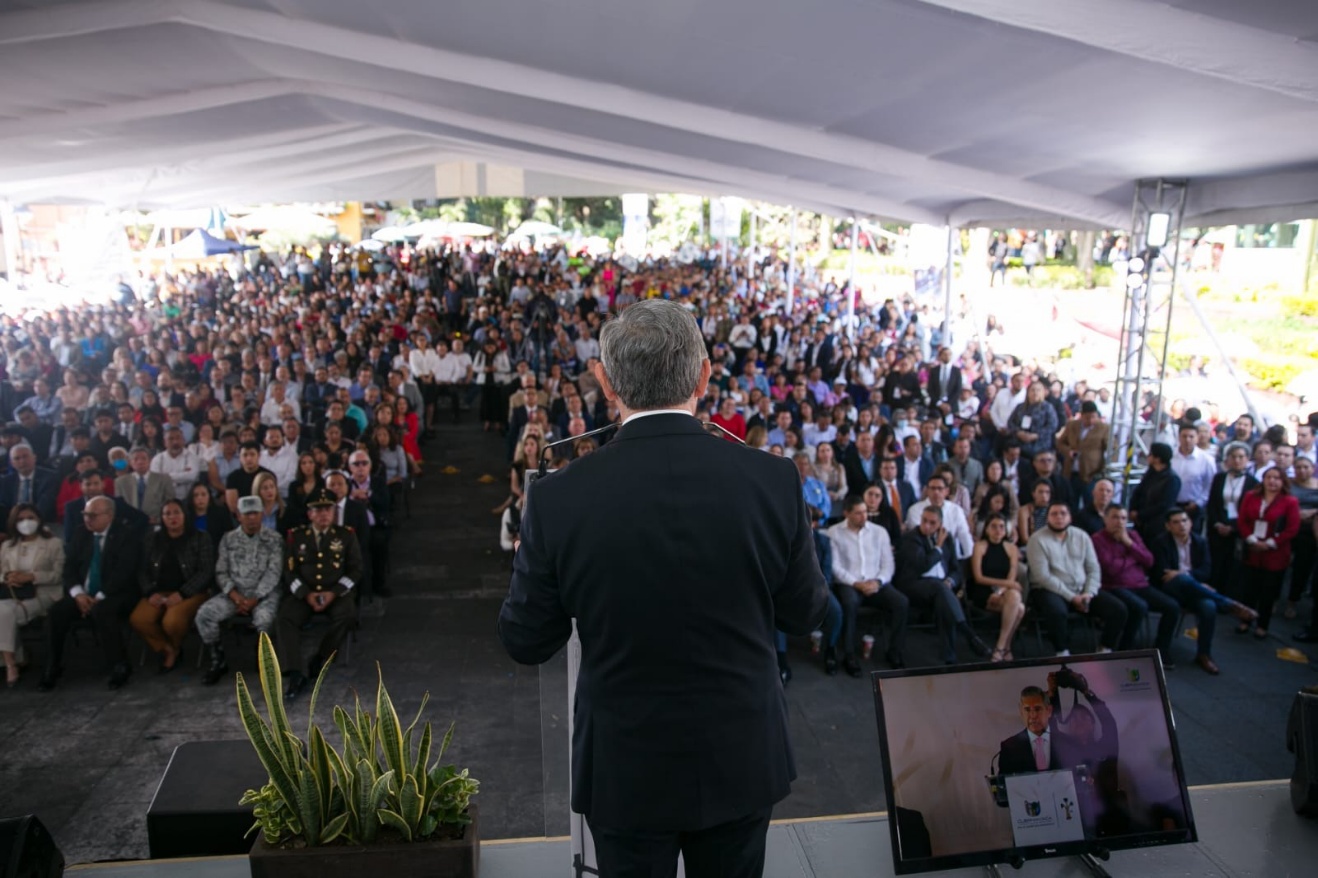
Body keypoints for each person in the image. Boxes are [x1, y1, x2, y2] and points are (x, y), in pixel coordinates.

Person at [498, 300, 828, 878]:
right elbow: (807, 613)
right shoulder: (773, 479)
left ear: (605, 382)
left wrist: (538, 560)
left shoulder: (556, 498)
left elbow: (526, 639)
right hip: (741, 755)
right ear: (704, 376)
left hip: (625, 766)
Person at [39, 496, 146, 691]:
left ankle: (119, 665)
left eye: (93, 515)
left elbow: (124, 572)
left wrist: (99, 597)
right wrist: (78, 594)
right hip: (84, 594)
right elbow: (69, 568)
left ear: (109, 515)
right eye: (85, 514)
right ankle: (52, 666)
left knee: (103, 611)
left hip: (117, 593)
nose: (87, 519)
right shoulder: (81, 533)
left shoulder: (126, 535)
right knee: (56, 612)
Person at [275, 487, 363, 700]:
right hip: (305, 593)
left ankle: (321, 658)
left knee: (347, 615)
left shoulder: (346, 536)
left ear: (334, 512)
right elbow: (289, 571)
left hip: (335, 593)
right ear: (310, 514)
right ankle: (295, 672)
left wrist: (335, 592)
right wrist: (306, 594)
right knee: (284, 618)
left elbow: (356, 570)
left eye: (328, 509)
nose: (324, 514)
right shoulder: (296, 537)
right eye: (318, 510)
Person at [1151, 508, 1258, 674]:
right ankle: (1227, 603)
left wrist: (1185, 575)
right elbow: (1162, 573)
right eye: (1176, 522)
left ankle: (1204, 654)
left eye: (1184, 521)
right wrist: (1187, 578)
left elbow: (1206, 571)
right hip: (1169, 589)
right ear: (1168, 526)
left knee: (1208, 606)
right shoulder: (1160, 542)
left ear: (1191, 523)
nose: (1182, 525)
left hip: (1195, 589)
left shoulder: (1200, 542)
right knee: (1182, 582)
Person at [196, 496, 286, 686]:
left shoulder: (274, 539)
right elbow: (221, 571)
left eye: (255, 513)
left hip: (264, 594)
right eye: (247, 514)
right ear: (238, 516)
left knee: (264, 619)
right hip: (234, 594)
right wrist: (234, 595)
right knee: (205, 614)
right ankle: (218, 660)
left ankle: (263, 658)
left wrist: (255, 597)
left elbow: (274, 573)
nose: (252, 517)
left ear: (262, 514)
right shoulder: (228, 539)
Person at [1026, 502, 1127, 656]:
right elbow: (1042, 576)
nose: (1059, 517)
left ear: (1070, 517)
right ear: (1047, 518)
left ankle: (1105, 648)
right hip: (1049, 589)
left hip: (1082, 589)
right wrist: (1072, 597)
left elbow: (1093, 568)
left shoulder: (1082, 536)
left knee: (1118, 609)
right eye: (1054, 514)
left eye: (1063, 513)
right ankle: (1062, 652)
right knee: (1057, 612)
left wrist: (1089, 593)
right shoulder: (1037, 539)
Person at [895, 505, 991, 664]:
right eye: (924, 521)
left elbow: (956, 569)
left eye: (932, 523)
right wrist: (938, 548)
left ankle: (949, 657)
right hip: (914, 585)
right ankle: (967, 633)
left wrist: (950, 581)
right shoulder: (912, 538)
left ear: (940, 524)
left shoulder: (947, 537)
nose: (927, 526)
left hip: (939, 588)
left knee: (943, 597)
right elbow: (923, 565)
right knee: (941, 590)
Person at [1091, 505, 1182, 667]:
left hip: (1140, 584)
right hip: (1114, 585)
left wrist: (1129, 543)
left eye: (1123, 518)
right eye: (1115, 517)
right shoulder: (1097, 539)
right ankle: (1124, 650)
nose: (1119, 522)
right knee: (1139, 607)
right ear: (1105, 519)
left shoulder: (1132, 535)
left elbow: (1149, 561)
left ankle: (1161, 650)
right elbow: (1110, 568)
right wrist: (1133, 558)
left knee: (1172, 606)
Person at [129, 499, 213, 673]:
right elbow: (142, 570)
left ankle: (174, 647)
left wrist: (182, 593)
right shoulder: (152, 539)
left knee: (172, 621)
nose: (172, 517)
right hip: (158, 591)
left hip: (191, 592)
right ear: (162, 517)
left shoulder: (200, 537)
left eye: (176, 513)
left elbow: (205, 572)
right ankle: (168, 649)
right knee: (139, 619)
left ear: (184, 515)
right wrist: (150, 592)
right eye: (167, 514)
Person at [828, 495, 909, 672]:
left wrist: (878, 581)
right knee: (849, 604)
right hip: (849, 583)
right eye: (858, 513)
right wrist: (856, 583)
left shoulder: (879, 532)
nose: (863, 516)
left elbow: (888, 564)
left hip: (876, 582)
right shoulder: (834, 533)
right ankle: (849, 655)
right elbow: (835, 567)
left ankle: (895, 652)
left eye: (865, 512)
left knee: (901, 603)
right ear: (846, 513)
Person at [0, 504, 64, 687]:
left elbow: (58, 575)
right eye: (20, 519)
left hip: (42, 594)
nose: (26, 523)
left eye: (30, 518)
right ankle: (15, 660)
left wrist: (31, 577)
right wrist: (8, 577)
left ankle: (12, 663)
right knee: (4, 612)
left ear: (38, 519)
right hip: (12, 594)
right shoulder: (7, 545)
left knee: (3, 613)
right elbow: (1, 572)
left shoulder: (53, 543)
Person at [1237, 466, 1300, 638]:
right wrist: (1252, 540)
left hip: (1275, 553)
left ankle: (1262, 625)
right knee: (1249, 589)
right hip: (1252, 549)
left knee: (1268, 592)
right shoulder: (1250, 496)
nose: (1272, 481)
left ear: (1283, 481)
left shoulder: (1290, 501)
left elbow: (1292, 529)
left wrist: (1270, 543)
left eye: (1277, 478)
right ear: (1263, 480)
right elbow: (1242, 521)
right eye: (1269, 477)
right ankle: (1245, 620)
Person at [969, 513, 1024, 662]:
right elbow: (979, 577)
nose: (998, 530)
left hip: (1004, 592)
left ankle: (1000, 646)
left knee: (1015, 599)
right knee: (1019, 608)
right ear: (986, 529)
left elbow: (1011, 576)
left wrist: (1000, 591)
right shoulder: (979, 546)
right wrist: (1006, 586)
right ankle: (1006, 648)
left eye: (1001, 527)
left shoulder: (1012, 548)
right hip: (984, 591)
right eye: (993, 526)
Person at [1055, 401, 1109, 499]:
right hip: (1071, 472)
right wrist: (1068, 451)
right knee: (1070, 500)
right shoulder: (1072, 425)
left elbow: (1111, 449)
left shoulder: (1104, 428)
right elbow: (1060, 442)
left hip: (1091, 474)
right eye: (1087, 418)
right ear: (1082, 416)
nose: (1091, 420)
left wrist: (1104, 468)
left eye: (1093, 417)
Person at [1130, 443, 1181, 542]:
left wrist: (1141, 515)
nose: (1148, 456)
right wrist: (1133, 510)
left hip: (1156, 527)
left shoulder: (1171, 479)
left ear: (1157, 459)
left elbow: (1164, 505)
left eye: (1150, 454)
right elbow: (1138, 492)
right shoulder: (1150, 473)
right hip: (1141, 524)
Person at [0, 443, 58, 524]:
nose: (22, 461)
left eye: (25, 456)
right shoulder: (5, 481)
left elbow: (46, 504)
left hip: (42, 521)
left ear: (34, 458)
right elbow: (4, 506)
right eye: (17, 458)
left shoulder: (50, 477)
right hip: (13, 523)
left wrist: (29, 520)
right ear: (12, 463)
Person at [117, 446, 172, 526]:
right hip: (130, 524)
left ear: (150, 461)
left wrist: (158, 519)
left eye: (144, 459)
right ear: (130, 462)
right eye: (136, 459)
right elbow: (119, 506)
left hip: (156, 522)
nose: (140, 462)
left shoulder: (164, 479)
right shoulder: (120, 482)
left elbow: (170, 503)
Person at [188, 481, 234, 551]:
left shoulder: (221, 514)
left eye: (203, 494)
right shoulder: (186, 516)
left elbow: (229, 536)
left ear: (209, 496)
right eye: (196, 495)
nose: (200, 498)